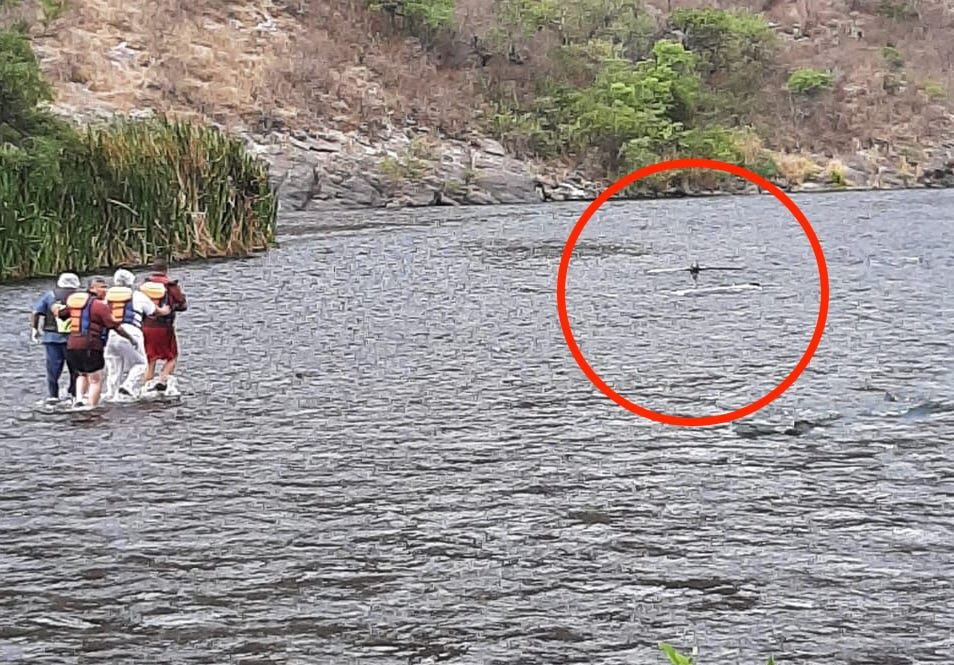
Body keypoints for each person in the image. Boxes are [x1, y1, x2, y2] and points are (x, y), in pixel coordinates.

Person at [54, 276, 137, 408]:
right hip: (91, 345)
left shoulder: (75, 304)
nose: (105, 290)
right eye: (102, 287)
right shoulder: (99, 306)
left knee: (81, 374)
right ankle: (91, 407)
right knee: (95, 379)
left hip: (72, 345)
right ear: (92, 288)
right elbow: (115, 326)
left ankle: (79, 400)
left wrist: (55, 310)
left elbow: (61, 315)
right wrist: (131, 339)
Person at [103, 269, 172, 401]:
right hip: (131, 331)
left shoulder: (108, 297)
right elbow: (153, 311)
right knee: (141, 364)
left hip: (111, 333)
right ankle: (127, 386)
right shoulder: (137, 296)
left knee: (113, 367)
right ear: (130, 282)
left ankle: (111, 395)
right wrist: (164, 311)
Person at [30, 272, 81, 404]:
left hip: (51, 338)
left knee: (53, 370)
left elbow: (36, 313)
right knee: (75, 369)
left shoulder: (50, 295)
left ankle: (53, 396)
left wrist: (35, 329)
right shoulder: (79, 297)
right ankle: (74, 394)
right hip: (74, 338)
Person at [141, 258, 187, 393]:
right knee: (172, 356)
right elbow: (182, 305)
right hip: (163, 327)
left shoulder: (144, 285)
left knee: (150, 359)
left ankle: (145, 387)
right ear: (166, 270)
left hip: (145, 326)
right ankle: (163, 380)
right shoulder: (170, 285)